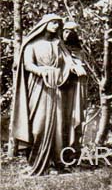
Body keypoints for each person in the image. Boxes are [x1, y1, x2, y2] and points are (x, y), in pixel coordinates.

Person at [11, 14, 86, 176]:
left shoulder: (59, 44)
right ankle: (35, 161)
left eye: (58, 24)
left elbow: (67, 62)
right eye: (53, 23)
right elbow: (27, 64)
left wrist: (75, 69)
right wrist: (41, 71)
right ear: (44, 24)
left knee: (59, 126)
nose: (56, 26)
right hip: (38, 87)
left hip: (57, 89)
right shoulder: (31, 44)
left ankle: (55, 163)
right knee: (38, 126)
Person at [61, 21, 87, 155]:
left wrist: (78, 67)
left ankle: (73, 150)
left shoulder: (79, 50)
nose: (68, 34)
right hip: (60, 88)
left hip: (75, 87)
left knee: (74, 117)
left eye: (71, 31)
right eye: (65, 31)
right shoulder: (58, 48)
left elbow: (81, 66)